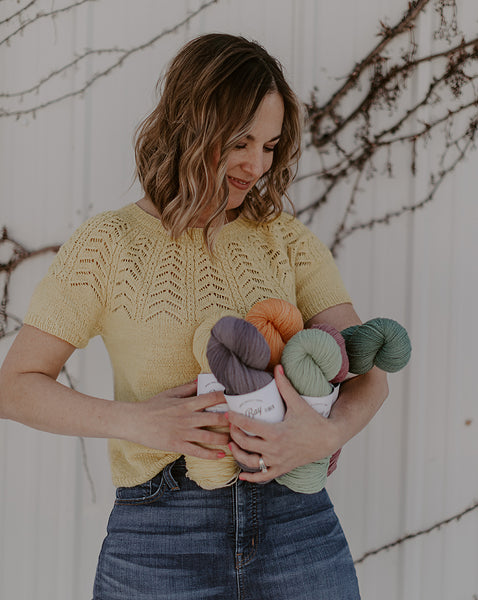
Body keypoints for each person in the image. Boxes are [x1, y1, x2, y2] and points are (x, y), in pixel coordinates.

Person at [0, 33, 388, 599]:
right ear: (192, 127)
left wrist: (325, 435)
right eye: (240, 142)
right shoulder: (108, 244)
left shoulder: (285, 241)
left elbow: (369, 372)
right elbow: (15, 386)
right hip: (160, 532)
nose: (257, 165)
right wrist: (137, 422)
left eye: (271, 145)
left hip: (297, 525)